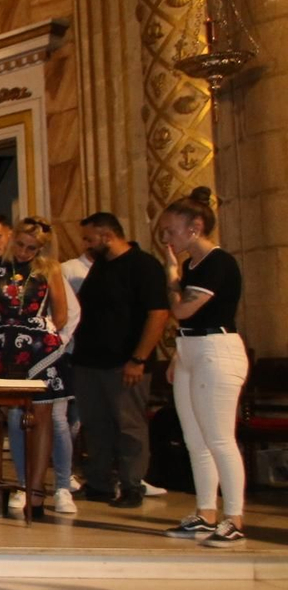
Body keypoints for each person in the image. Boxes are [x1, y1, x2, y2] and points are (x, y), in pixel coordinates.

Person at [159, 188, 250, 547]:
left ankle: (235, 516)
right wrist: (179, 356)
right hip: (191, 349)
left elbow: (182, 310)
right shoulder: (192, 266)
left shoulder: (218, 262)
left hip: (218, 350)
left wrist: (170, 277)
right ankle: (206, 511)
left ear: (195, 227)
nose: (166, 238)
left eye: (171, 230)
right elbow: (185, 322)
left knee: (219, 438)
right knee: (195, 439)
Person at [0, 214, 81, 510]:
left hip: (39, 347)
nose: (24, 252)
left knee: (42, 418)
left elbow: (61, 314)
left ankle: (37, 490)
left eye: (31, 248)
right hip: (6, 345)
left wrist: (37, 328)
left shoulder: (49, 269)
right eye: (21, 245)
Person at [73, 212, 170, 508]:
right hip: (90, 361)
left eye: (90, 239)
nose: (87, 245)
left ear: (106, 235)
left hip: (125, 361)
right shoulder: (101, 266)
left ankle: (131, 485)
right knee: (96, 424)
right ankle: (100, 482)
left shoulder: (144, 266)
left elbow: (158, 314)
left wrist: (139, 359)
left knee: (129, 426)